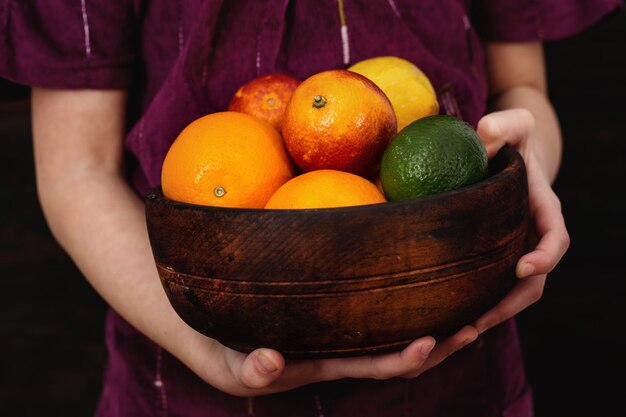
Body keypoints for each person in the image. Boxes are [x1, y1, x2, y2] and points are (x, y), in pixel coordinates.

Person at [1, 0, 621, 415]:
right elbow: (78, 170)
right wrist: (209, 352)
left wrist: (524, 168)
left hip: (463, 379)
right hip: (183, 389)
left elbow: (523, 90)